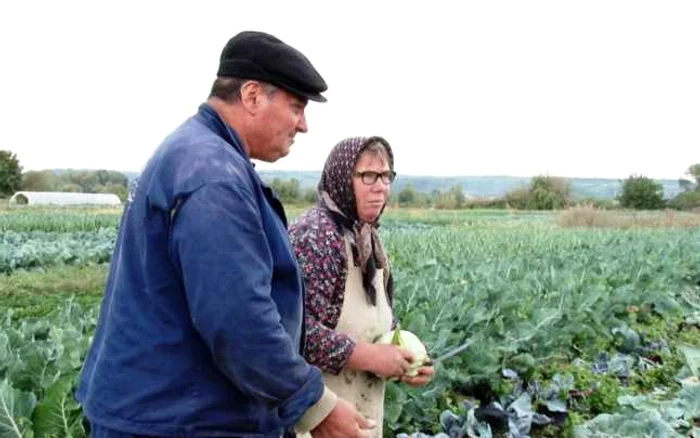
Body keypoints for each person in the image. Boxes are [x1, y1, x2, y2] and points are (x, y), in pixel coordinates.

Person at [76, 31, 375, 438]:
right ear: (252, 96)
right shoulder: (213, 175)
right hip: (175, 420)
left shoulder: (199, 155)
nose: (303, 125)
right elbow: (238, 318)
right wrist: (314, 406)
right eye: (296, 107)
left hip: (166, 410)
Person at [289, 137, 435, 438]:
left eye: (386, 176)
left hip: (359, 418)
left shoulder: (367, 239)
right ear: (343, 178)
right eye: (368, 175)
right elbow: (295, 333)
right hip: (317, 422)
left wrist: (406, 359)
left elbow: (376, 321)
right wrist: (369, 357)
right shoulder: (316, 236)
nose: (380, 186)